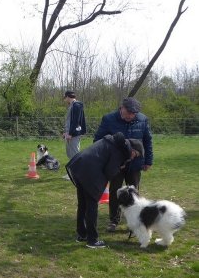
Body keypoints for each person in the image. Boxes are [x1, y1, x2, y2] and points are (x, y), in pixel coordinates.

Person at [66, 132, 144, 249]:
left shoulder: (112, 141)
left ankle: (82, 234)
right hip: (88, 172)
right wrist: (119, 167)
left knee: (82, 204)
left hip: (78, 166)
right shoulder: (118, 150)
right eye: (135, 154)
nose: (133, 157)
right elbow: (109, 172)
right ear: (132, 149)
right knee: (91, 205)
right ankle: (92, 240)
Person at [93, 97, 153, 232]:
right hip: (116, 164)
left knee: (134, 192)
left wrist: (148, 160)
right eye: (129, 113)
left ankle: (136, 220)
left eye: (134, 114)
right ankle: (114, 220)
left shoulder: (143, 119)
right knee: (115, 191)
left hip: (135, 164)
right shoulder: (109, 119)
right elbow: (98, 140)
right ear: (122, 108)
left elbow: (147, 141)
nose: (131, 116)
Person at [62, 90, 86, 179]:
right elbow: (69, 121)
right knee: (70, 153)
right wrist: (66, 132)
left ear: (68, 97)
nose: (65, 100)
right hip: (69, 133)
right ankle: (72, 173)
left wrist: (71, 133)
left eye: (65, 98)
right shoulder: (72, 106)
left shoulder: (77, 105)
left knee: (75, 153)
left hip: (73, 134)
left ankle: (76, 174)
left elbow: (76, 121)